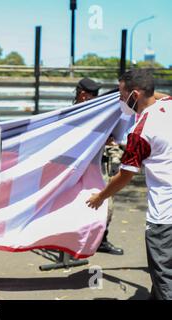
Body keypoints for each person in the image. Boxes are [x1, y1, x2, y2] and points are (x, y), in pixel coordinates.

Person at [86, 69, 172, 300]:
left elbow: (124, 176)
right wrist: (147, 92)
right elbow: (160, 97)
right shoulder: (169, 107)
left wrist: (100, 197)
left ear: (135, 94)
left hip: (164, 217)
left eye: (122, 94)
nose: (120, 100)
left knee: (164, 277)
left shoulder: (140, 132)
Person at [74, 77, 124, 255]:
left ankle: (101, 239)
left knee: (106, 203)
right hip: (78, 168)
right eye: (93, 94)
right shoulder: (74, 113)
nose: (97, 97)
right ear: (83, 95)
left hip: (97, 165)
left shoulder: (97, 110)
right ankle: (75, 242)